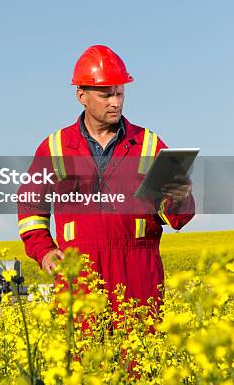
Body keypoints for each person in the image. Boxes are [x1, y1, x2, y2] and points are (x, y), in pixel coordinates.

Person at [17, 45, 194, 309]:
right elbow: (30, 206)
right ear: (82, 96)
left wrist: (179, 197)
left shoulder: (148, 144)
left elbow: (177, 218)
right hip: (78, 275)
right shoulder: (54, 147)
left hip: (138, 275)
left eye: (120, 93)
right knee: (82, 351)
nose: (116, 102)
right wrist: (43, 251)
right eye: (106, 95)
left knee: (139, 350)